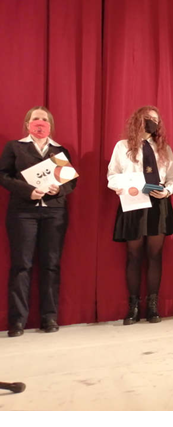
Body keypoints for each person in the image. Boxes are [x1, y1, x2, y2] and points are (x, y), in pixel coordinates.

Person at [0, 107, 78, 337]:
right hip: (23, 212)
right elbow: (3, 175)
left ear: (50, 124)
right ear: (27, 124)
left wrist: (58, 190)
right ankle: (17, 321)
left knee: (51, 265)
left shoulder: (59, 150)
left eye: (44, 119)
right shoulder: (15, 147)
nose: (40, 122)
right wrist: (28, 191)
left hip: (54, 213)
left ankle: (49, 317)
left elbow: (70, 182)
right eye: (36, 119)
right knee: (21, 265)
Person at [107, 105, 173, 324]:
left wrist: (167, 190)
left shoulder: (164, 148)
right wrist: (120, 186)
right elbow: (112, 174)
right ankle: (134, 306)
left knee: (155, 255)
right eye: (148, 118)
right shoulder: (122, 146)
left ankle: (153, 306)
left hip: (158, 203)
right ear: (137, 120)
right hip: (133, 203)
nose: (152, 122)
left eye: (155, 119)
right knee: (134, 255)